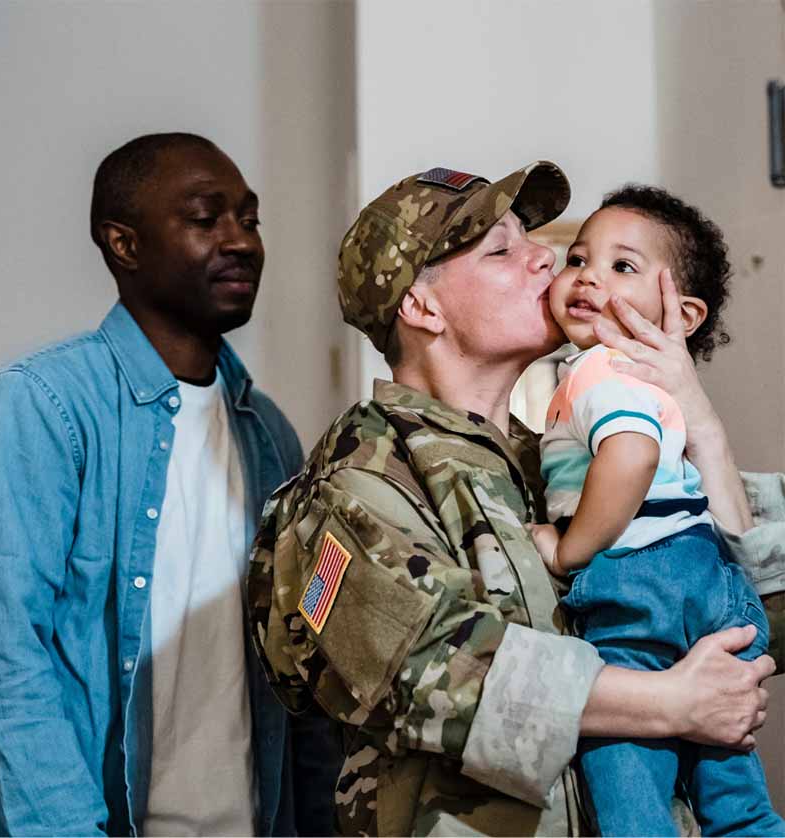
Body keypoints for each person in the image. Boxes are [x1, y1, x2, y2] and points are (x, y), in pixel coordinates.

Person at [247, 161, 784, 836]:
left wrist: (696, 417)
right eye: (502, 249)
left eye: (535, 240)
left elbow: (753, 597)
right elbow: (433, 668)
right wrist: (670, 703)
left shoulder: (557, 456)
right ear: (421, 307)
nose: (546, 259)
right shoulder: (357, 481)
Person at [0, 132, 340, 837]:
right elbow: (6, 668)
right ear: (124, 245)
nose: (241, 241)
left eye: (249, 219)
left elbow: (300, 673)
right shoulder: (41, 406)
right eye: (205, 217)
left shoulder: (269, 434)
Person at [529, 185, 785, 836]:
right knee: (739, 804)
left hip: (641, 588)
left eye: (622, 266)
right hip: (711, 586)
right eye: (580, 258)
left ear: (683, 313)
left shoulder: (597, 373)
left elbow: (631, 458)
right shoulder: (644, 391)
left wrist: (568, 549)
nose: (586, 276)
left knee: (628, 795)